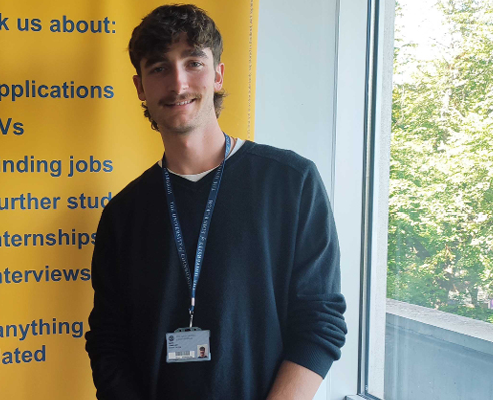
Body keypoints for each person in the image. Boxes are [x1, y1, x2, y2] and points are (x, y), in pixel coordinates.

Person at [85, 5, 347, 400]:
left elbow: (320, 321)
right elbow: (108, 342)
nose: (178, 83)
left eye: (193, 62)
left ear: (218, 74)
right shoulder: (124, 214)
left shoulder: (291, 182)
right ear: (140, 87)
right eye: (159, 68)